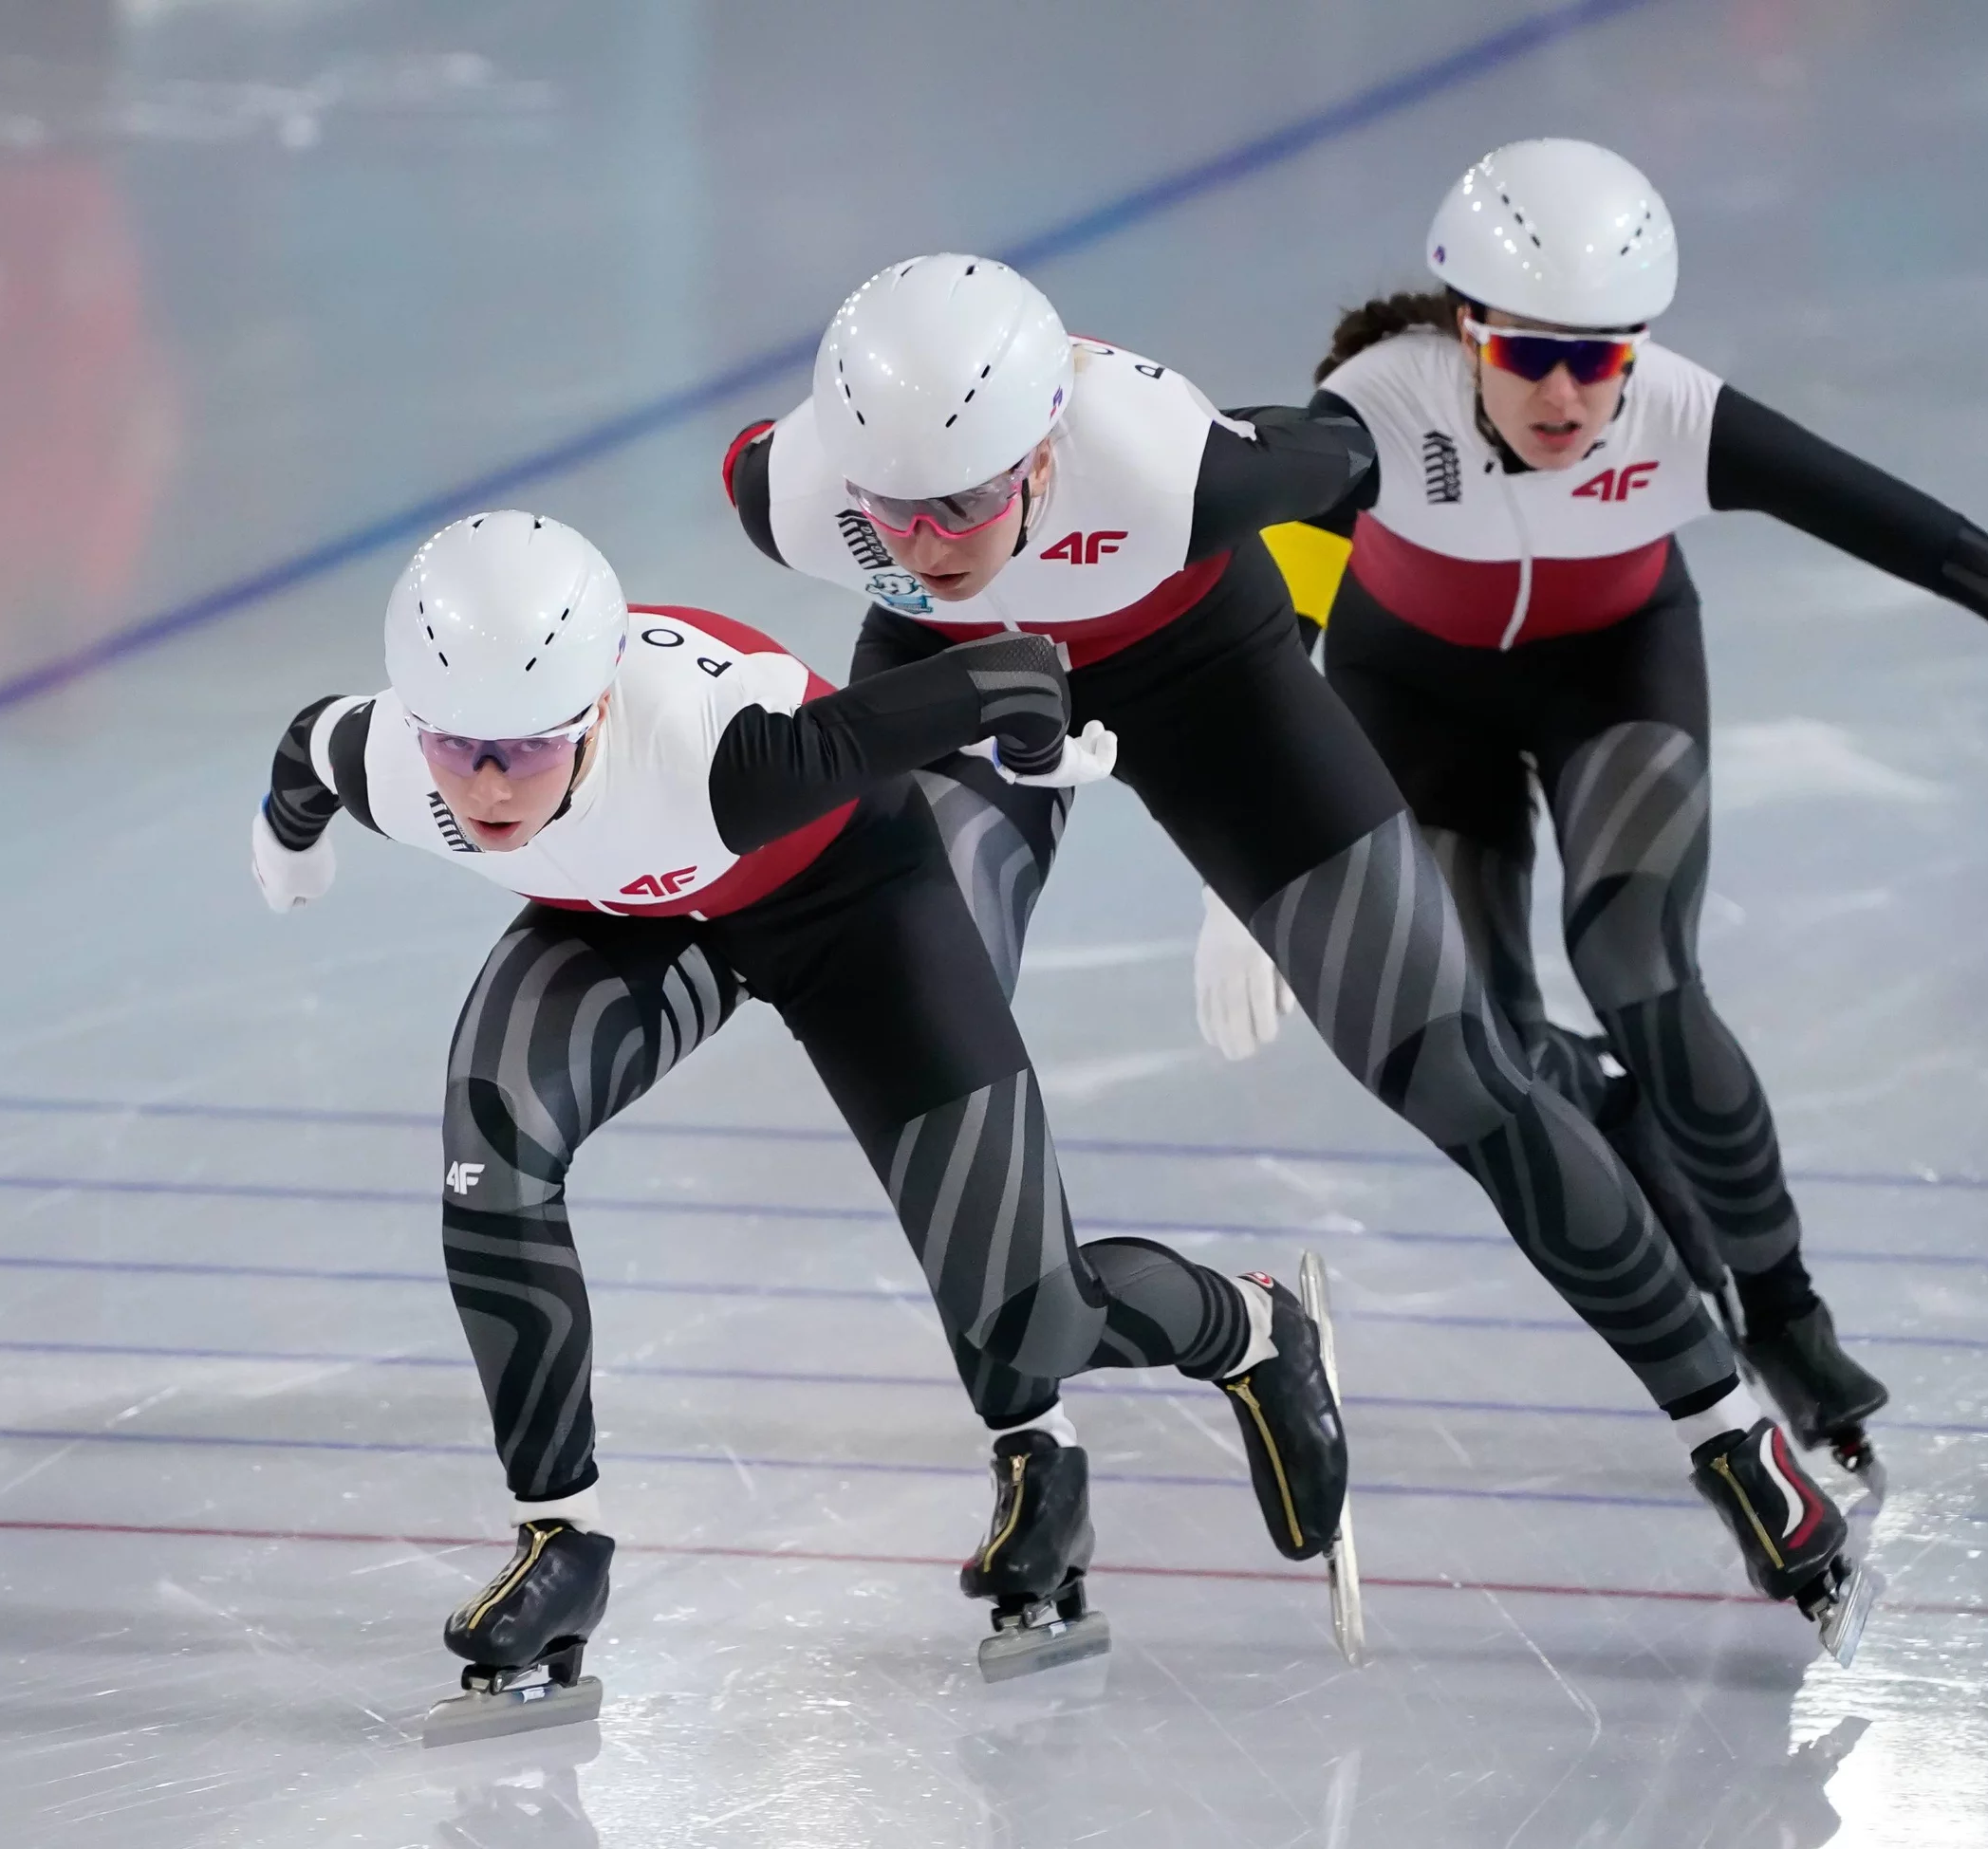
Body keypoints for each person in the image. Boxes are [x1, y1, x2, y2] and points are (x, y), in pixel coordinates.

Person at [724, 255, 1875, 1656]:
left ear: (1042, 449)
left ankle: (1731, 1431)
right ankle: (1037, 1447)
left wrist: (1245, 882)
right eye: (890, 507)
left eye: (963, 499)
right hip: (962, 682)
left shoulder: (1163, 459)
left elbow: (1352, 467)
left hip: (1211, 682)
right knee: (930, 1067)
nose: (922, 535)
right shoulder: (792, 491)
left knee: (1462, 1074)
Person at [1221, 137, 1988, 1476]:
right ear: (1469, 331)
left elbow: (1950, 552)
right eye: (1531, 355)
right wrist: (1259, 868)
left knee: (1637, 961)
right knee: (1502, 1052)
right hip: (1415, 703)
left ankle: (1788, 1312)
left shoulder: (1683, 419)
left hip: (1611, 679)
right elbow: (1241, 552)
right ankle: (1625, 1117)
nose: (1571, 395)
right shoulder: (1384, 407)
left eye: (1605, 354)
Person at [247, 509, 1348, 1728]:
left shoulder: (742, 756)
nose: (491, 785)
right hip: (628, 912)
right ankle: (563, 1539)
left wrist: (1043, 750)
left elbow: (1011, 670)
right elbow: (306, 752)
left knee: (1030, 1311)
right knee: (490, 1146)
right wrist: (285, 842)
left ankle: (1244, 1330)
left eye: (530, 747)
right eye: (460, 750)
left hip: (848, 903)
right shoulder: (392, 756)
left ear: (597, 712)